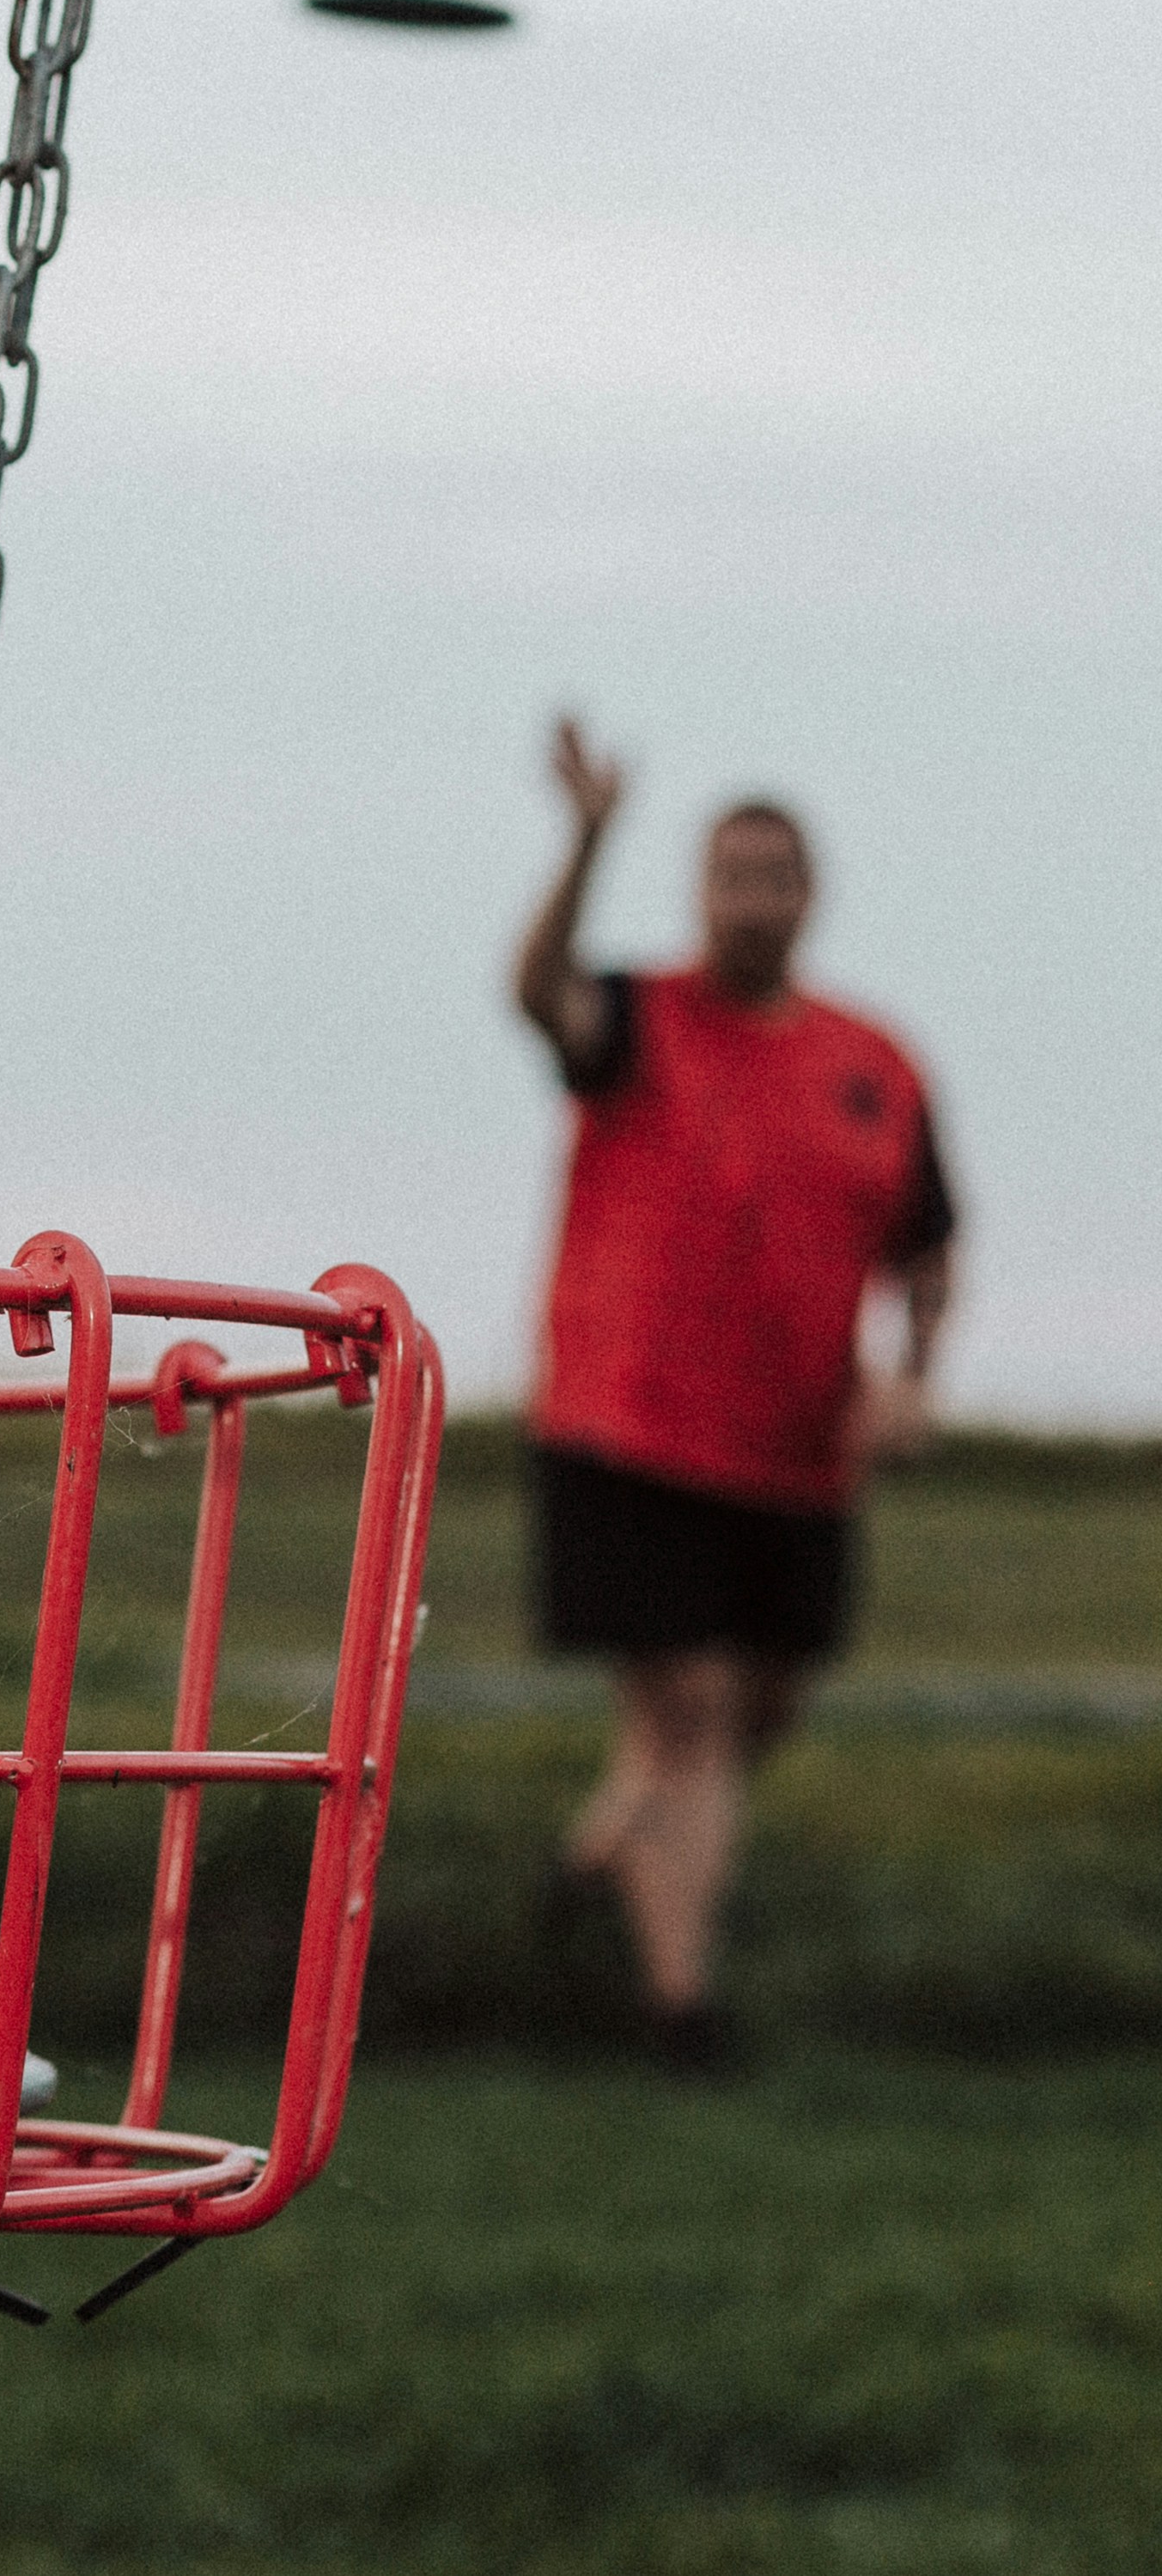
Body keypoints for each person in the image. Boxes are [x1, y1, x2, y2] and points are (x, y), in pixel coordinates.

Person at [514, 717, 956, 2067]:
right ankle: (681, 2007)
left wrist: (913, 1383)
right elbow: (539, 992)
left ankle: (602, 1848)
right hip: (631, 1424)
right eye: (732, 872)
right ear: (700, 890)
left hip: (798, 1451)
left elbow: (928, 1248)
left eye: (777, 873)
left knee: (757, 1709)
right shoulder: (641, 1017)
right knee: (690, 1707)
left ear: (810, 893)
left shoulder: (874, 1063)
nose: (754, 896)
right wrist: (587, 836)